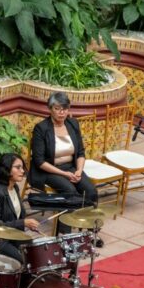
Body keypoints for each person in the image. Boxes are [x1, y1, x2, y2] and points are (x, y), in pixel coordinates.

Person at [29, 91, 98, 227]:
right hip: (49, 171)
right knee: (70, 192)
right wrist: (64, 174)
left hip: (71, 167)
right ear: (50, 109)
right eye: (57, 109)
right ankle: (64, 233)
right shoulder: (41, 128)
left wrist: (79, 170)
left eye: (65, 109)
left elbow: (81, 153)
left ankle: (90, 229)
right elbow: (39, 161)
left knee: (91, 190)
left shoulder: (73, 124)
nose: (62, 113)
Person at [0, 153, 41, 263]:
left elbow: (16, 215)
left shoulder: (14, 188)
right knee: (24, 260)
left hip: (12, 235)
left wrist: (28, 224)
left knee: (34, 253)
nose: (23, 171)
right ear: (7, 169)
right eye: (18, 167)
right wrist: (23, 223)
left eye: (22, 167)